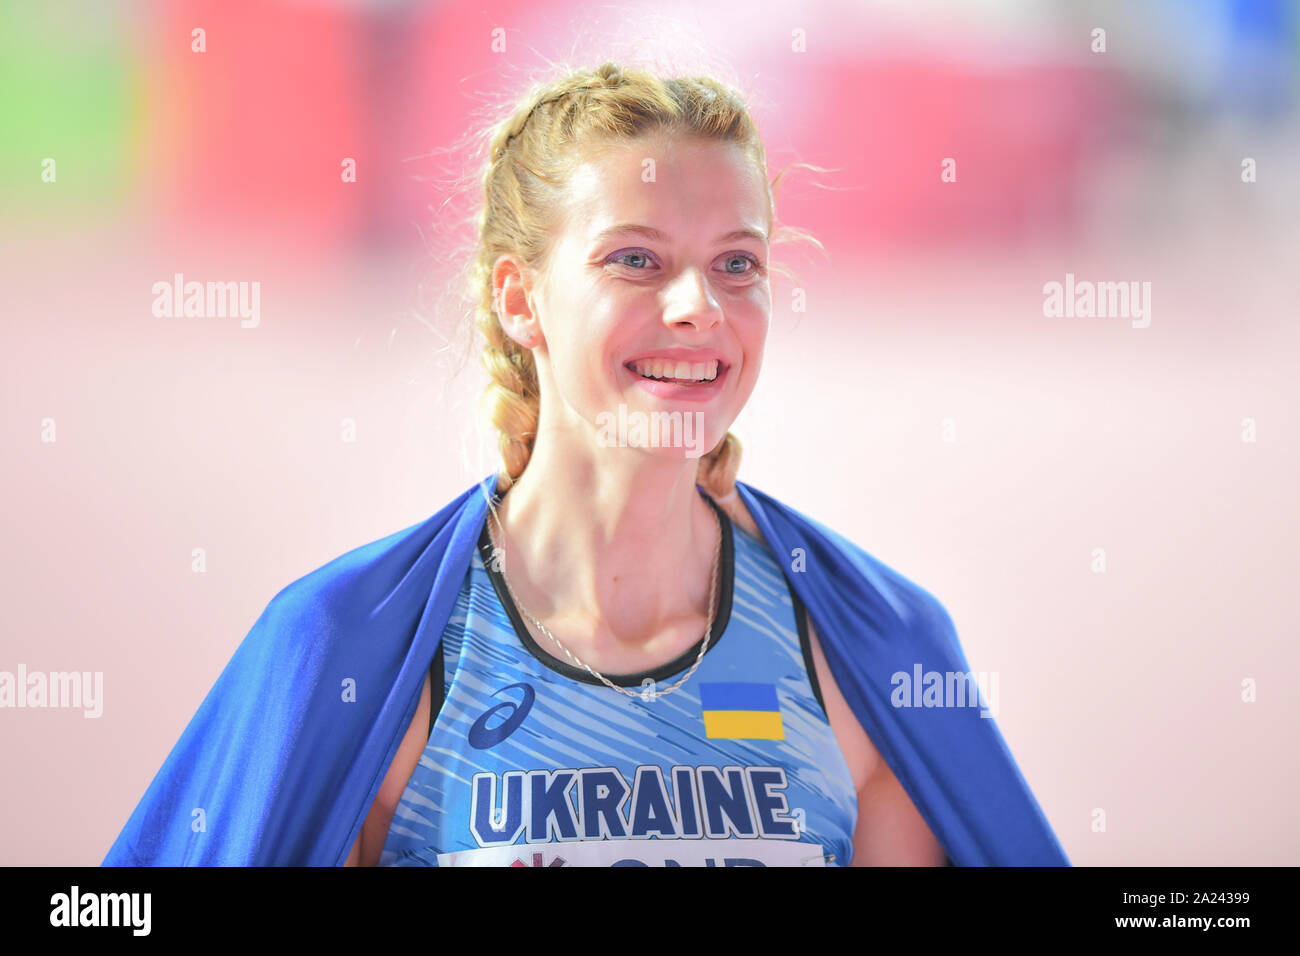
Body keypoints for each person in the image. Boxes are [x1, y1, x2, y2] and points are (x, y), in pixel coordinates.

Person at [102, 61, 1068, 868]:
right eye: (636, 261)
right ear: (521, 300)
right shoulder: (353, 655)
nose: (701, 306)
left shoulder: (863, 657)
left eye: (738, 263)